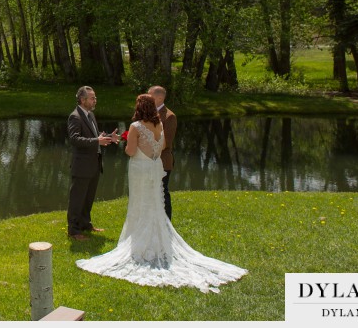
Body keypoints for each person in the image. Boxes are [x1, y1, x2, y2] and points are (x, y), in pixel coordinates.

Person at [76, 94, 246, 293]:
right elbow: (162, 146)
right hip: (154, 167)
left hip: (140, 169)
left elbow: (131, 151)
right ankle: (156, 243)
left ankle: (139, 245)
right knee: (155, 203)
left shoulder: (136, 126)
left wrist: (126, 142)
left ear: (139, 108)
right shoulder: (160, 126)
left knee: (139, 205)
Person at [67, 86, 120, 241]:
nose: (95, 100)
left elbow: (94, 136)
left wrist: (109, 137)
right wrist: (97, 140)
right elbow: (74, 139)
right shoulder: (75, 116)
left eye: (95, 97)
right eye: (92, 98)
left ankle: (85, 224)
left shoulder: (90, 115)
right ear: (82, 100)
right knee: (77, 199)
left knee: (88, 197)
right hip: (82, 166)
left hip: (94, 164)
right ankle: (73, 230)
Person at [148, 85, 176, 219]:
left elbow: (167, 143)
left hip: (162, 161)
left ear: (159, 98)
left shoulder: (169, 116)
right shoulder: (149, 113)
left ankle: (166, 222)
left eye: (150, 95)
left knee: (162, 192)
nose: (147, 97)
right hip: (148, 161)